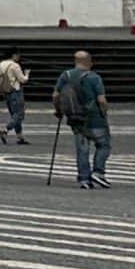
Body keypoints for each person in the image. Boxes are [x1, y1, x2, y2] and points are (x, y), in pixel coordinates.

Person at [54, 49, 112, 188]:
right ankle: (98, 172)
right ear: (89, 62)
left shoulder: (65, 75)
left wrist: (58, 110)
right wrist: (105, 112)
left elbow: (55, 95)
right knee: (103, 145)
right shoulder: (94, 77)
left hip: (75, 118)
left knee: (82, 149)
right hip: (95, 118)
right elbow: (101, 100)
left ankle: (84, 179)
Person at [0, 52, 29, 145]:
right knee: (19, 114)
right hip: (15, 91)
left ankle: (20, 137)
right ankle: (5, 130)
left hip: (6, 91)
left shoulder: (1, 64)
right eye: (17, 55)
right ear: (13, 55)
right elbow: (23, 80)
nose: (19, 57)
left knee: (14, 115)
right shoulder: (15, 66)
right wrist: (27, 74)